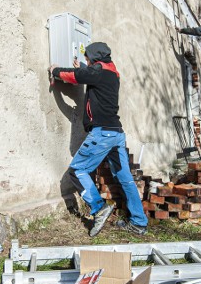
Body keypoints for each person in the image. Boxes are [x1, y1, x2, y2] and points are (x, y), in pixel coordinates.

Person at [50, 42, 148, 237]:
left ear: (95, 58)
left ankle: (98, 208)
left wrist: (55, 71)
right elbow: (92, 75)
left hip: (103, 134)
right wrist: (86, 68)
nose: (86, 61)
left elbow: (76, 77)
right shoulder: (112, 73)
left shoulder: (98, 71)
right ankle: (139, 222)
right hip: (116, 134)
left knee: (77, 171)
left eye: (88, 58)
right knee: (125, 178)